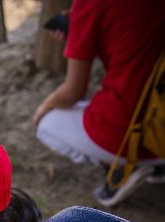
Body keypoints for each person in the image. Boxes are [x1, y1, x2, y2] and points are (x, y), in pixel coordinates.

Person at [32, 0, 165, 207]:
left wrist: (44, 106)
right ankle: (158, 167)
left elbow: (73, 92)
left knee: (46, 124)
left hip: (134, 135)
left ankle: (121, 167)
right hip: (160, 120)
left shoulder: (89, 4)